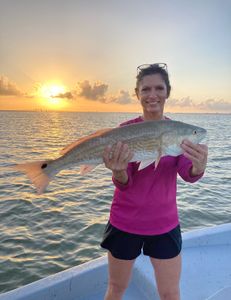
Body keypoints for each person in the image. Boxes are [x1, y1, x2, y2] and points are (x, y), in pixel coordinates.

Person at [101, 63, 208, 300]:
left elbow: (188, 174)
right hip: (124, 222)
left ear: (167, 92)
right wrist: (118, 172)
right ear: (137, 93)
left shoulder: (177, 132)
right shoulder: (124, 131)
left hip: (164, 224)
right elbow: (123, 183)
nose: (152, 95)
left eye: (159, 88)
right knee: (116, 289)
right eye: (146, 89)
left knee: (170, 294)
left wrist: (198, 167)